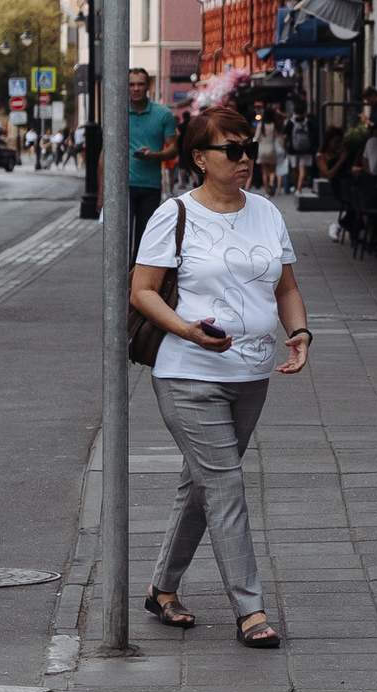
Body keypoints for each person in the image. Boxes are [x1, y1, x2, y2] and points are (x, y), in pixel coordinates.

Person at [129, 100, 311, 649]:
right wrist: (185, 330)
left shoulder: (266, 212)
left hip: (252, 373)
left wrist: (299, 334)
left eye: (248, 148)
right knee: (226, 483)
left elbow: (285, 288)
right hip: (187, 372)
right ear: (199, 158)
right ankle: (250, 610)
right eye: (231, 150)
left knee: (201, 484)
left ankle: (162, 588)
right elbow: (141, 290)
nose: (245, 158)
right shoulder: (175, 214)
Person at [114, 63, 176, 251]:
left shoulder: (163, 113)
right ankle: (121, 279)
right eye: (132, 85)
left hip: (151, 186)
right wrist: (102, 192)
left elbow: (174, 149)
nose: (135, 89)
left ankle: (137, 279)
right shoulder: (118, 113)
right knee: (121, 240)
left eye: (140, 84)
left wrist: (154, 155)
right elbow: (104, 154)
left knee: (144, 240)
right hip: (123, 186)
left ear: (148, 86)